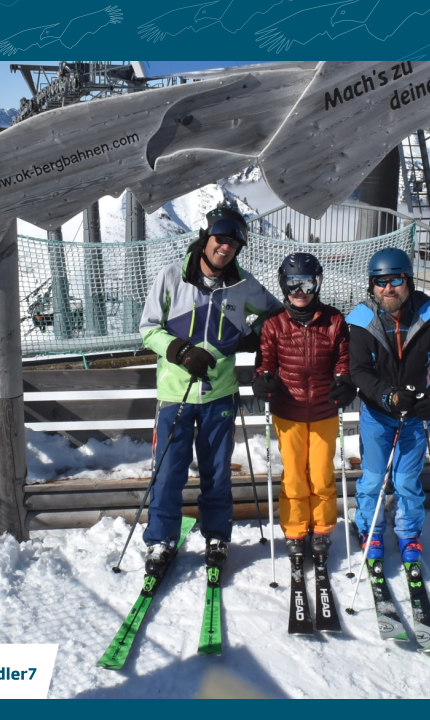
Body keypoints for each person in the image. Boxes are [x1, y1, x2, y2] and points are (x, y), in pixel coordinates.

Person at [138, 205, 283, 573]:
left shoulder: (242, 283)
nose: (226, 247)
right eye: (221, 239)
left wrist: (249, 336)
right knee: (169, 471)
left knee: (217, 472)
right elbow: (149, 328)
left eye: (234, 243)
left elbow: (275, 313)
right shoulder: (172, 276)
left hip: (220, 394)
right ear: (205, 238)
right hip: (175, 393)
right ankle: (160, 540)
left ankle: (217, 536)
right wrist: (181, 351)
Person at [345, 248, 430, 564]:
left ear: (408, 280)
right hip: (378, 414)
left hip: (415, 416)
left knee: (407, 480)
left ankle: (409, 533)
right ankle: (370, 529)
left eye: (395, 280)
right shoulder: (362, 320)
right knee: (374, 478)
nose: (388, 288)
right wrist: (387, 396)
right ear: (372, 285)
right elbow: (359, 371)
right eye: (380, 282)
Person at [252, 253, 356, 563]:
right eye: (293, 284)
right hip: (289, 411)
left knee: (322, 474)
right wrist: (263, 379)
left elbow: (343, 358)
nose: (300, 292)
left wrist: (344, 381)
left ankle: (322, 528)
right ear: (283, 285)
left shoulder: (333, 320)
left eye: (308, 284)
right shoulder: (274, 323)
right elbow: (266, 360)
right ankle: (295, 529)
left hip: (325, 409)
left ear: (317, 284)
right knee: (295, 475)